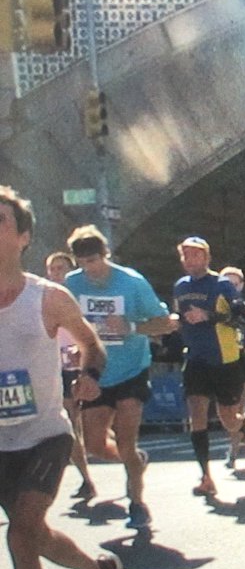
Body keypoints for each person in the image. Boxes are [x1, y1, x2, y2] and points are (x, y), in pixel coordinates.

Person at [0, 187, 124, 569]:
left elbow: (91, 343)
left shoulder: (47, 297)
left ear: (23, 236)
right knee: (37, 536)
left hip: (43, 436)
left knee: (21, 533)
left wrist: (89, 376)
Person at [64, 226, 177, 529]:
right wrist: (76, 349)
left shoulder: (131, 282)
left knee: (126, 442)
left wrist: (130, 327)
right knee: (95, 446)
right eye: (84, 263)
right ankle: (136, 462)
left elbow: (164, 323)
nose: (91, 269)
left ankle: (137, 504)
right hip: (97, 373)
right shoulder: (72, 284)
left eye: (95, 261)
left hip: (131, 370)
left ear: (105, 255)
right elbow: (66, 322)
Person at [172, 236, 245, 498]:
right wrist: (175, 321)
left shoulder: (222, 284)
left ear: (207, 258)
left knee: (228, 419)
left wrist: (209, 316)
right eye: (186, 256)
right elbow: (181, 315)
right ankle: (205, 476)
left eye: (196, 255)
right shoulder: (180, 286)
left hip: (224, 359)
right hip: (196, 359)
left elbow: (240, 318)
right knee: (196, 415)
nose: (190, 261)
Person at [44, 252, 97, 503]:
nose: (57, 274)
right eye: (53, 269)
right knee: (69, 422)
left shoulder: (79, 298)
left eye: (62, 269)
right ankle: (86, 479)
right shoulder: (44, 298)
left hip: (80, 364)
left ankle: (120, 461)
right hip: (55, 366)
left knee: (83, 425)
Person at [217, 266, 245, 470]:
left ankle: (233, 452)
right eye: (227, 283)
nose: (231, 288)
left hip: (240, 362)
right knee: (226, 411)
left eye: (235, 284)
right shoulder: (215, 309)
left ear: (241, 286)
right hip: (219, 361)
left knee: (238, 406)